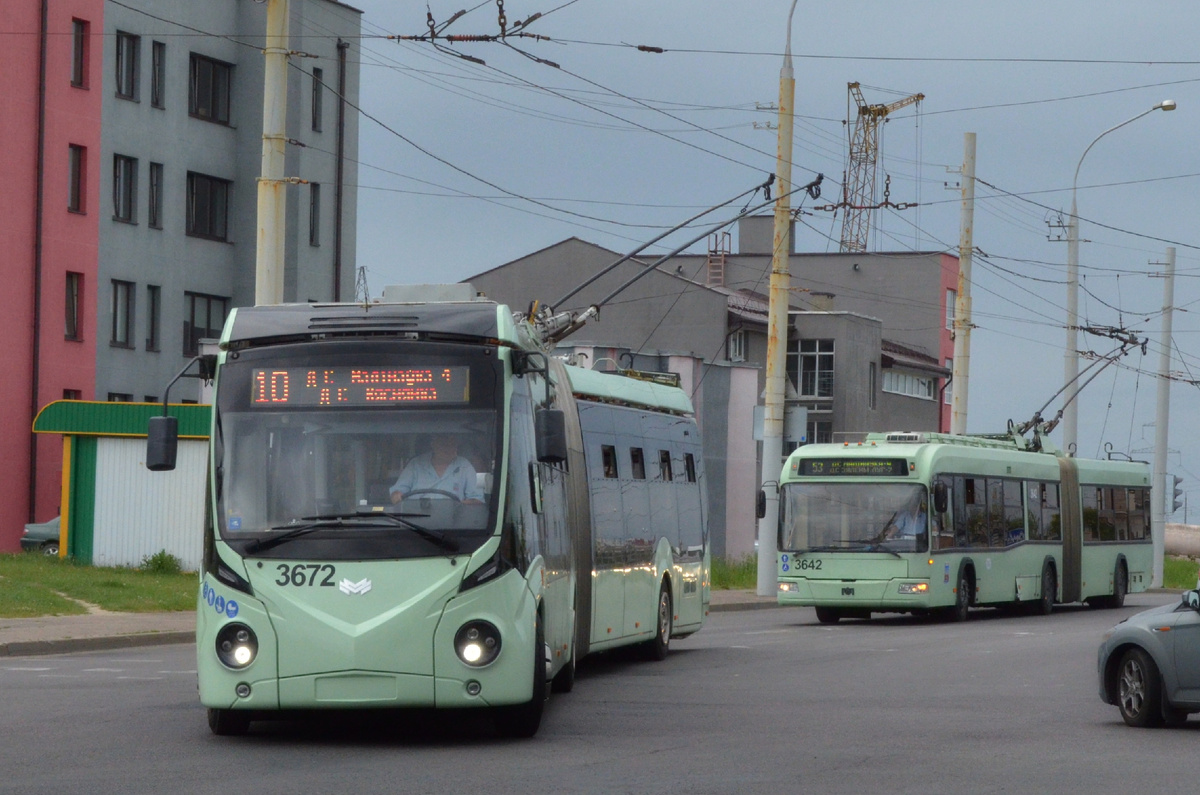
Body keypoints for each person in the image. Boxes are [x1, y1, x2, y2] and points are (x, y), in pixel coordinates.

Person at [389, 433, 484, 504]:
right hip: (415, 521)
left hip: (453, 524)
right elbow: (397, 493)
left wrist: (459, 506)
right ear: (433, 444)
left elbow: (477, 499)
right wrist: (396, 495)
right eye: (445, 444)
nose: (449, 448)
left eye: (453, 444)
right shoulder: (416, 464)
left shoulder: (465, 466)